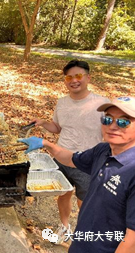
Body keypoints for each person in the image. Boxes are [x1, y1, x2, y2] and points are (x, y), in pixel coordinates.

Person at [19, 96, 135, 252]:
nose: (113, 126)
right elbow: (71, 159)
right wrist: (45, 144)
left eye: (123, 122)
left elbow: (132, 240)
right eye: (107, 120)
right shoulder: (103, 150)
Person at [29, 59, 109, 244]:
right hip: (61, 158)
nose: (74, 80)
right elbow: (57, 128)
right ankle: (64, 227)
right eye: (69, 77)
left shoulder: (102, 104)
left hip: (87, 164)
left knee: (85, 204)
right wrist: (42, 122)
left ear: (88, 77)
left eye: (78, 76)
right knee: (63, 195)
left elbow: (110, 133)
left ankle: (84, 238)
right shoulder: (62, 102)